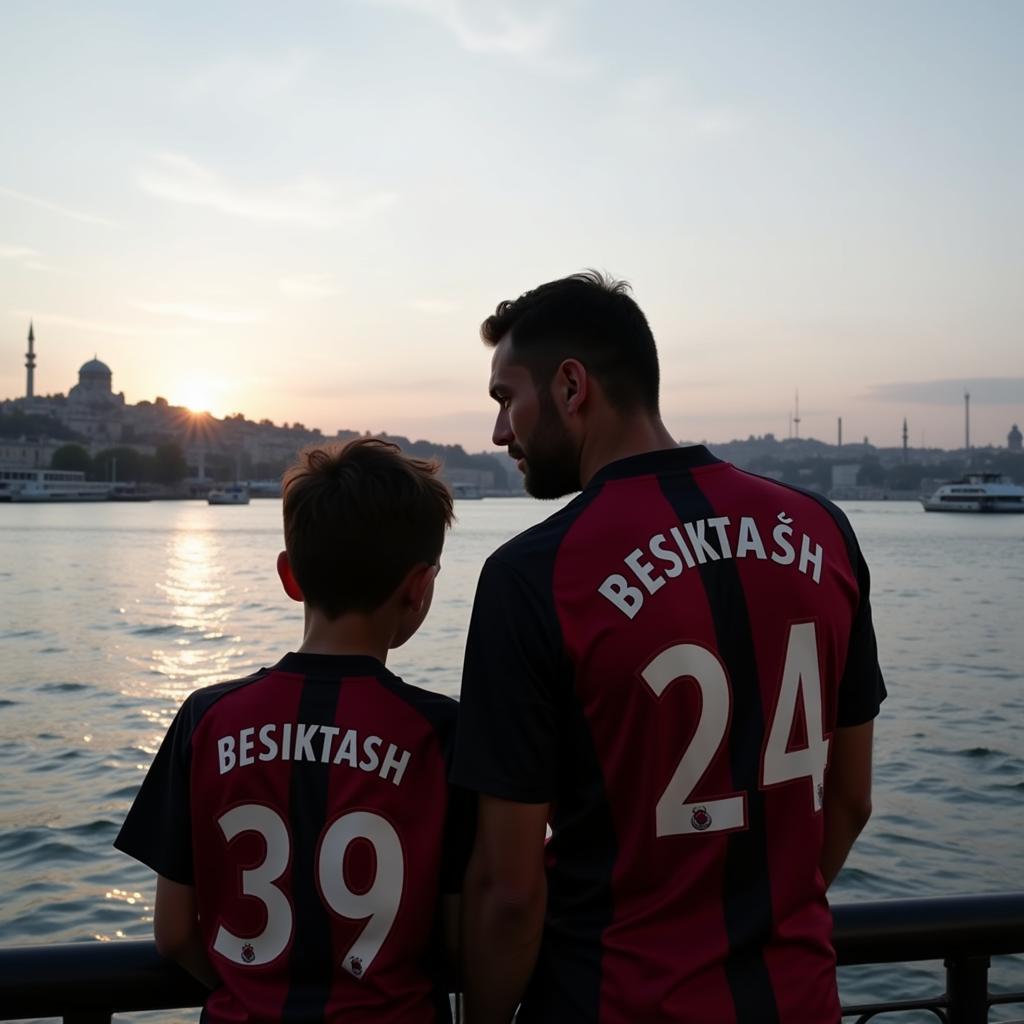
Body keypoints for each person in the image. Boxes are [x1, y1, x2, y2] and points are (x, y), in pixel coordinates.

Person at [451, 271, 885, 1023]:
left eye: (504, 398)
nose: (498, 433)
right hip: (798, 998)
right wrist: (758, 926)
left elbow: (510, 891)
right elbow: (848, 799)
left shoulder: (534, 576)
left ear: (570, 387)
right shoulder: (824, 531)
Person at [116, 438, 473, 1023]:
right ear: (420, 586)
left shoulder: (205, 719)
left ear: (290, 576)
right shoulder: (439, 733)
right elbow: (461, 938)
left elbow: (175, 934)